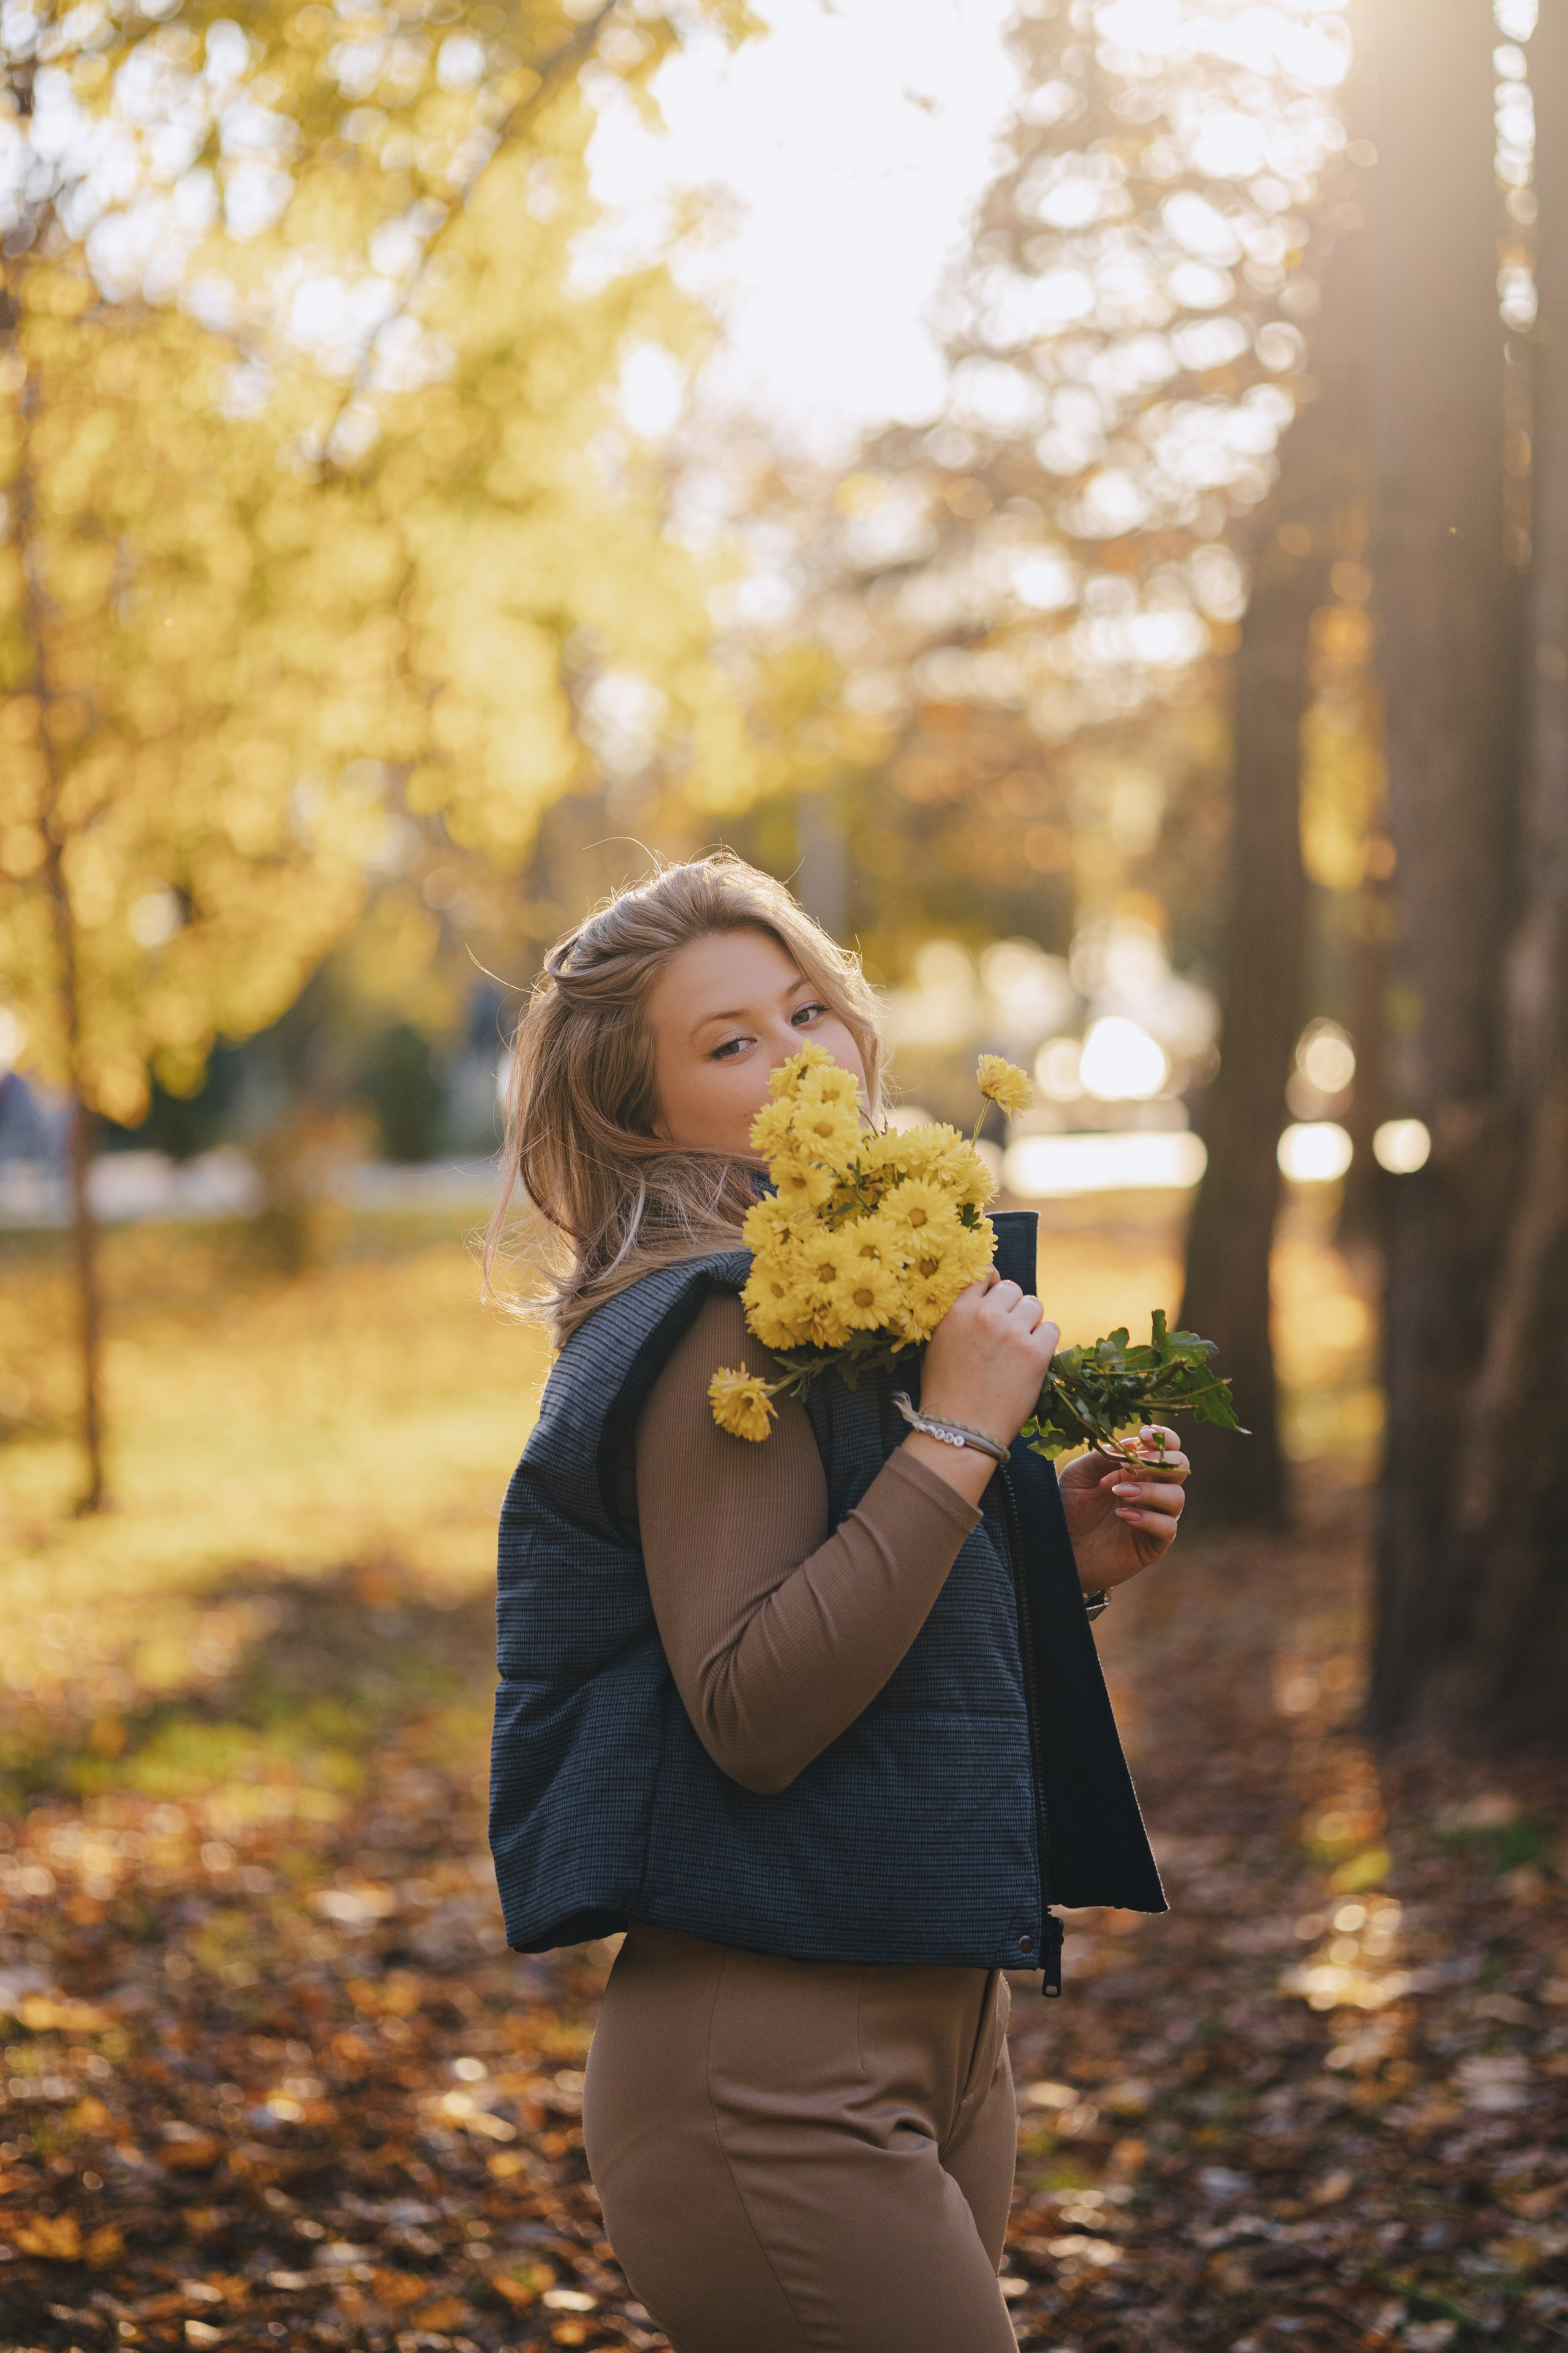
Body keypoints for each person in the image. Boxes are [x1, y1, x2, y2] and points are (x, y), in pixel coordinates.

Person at [485, 854, 1189, 2353]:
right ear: (639, 1111)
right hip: (769, 2074)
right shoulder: (714, 1319)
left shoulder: (830, 1293)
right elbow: (747, 1704)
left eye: (810, 1008)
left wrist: (1040, 1557)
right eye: (731, 1042)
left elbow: (844, 1604)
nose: (802, 1057)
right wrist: (959, 1436)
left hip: (939, 2025)